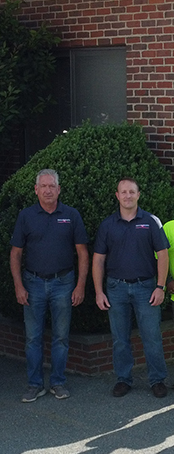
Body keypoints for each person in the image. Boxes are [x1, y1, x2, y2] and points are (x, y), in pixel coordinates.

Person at [10, 169, 88, 403]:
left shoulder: (71, 215)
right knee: (33, 338)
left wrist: (80, 285)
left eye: (52, 186)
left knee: (61, 337)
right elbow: (15, 254)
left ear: (59, 189)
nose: (47, 190)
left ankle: (57, 382)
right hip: (32, 283)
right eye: (43, 186)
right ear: (36, 190)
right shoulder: (26, 216)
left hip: (64, 283)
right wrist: (18, 285)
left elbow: (83, 253)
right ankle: (35, 384)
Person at [92, 177, 169, 398]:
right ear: (117, 195)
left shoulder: (151, 222)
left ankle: (157, 380)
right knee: (120, 338)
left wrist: (160, 286)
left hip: (146, 287)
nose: (127, 196)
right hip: (116, 288)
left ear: (138, 195)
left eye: (131, 192)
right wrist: (99, 291)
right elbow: (98, 259)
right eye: (123, 192)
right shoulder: (107, 225)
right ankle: (123, 379)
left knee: (152, 336)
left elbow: (162, 255)